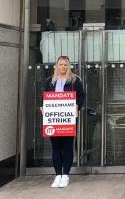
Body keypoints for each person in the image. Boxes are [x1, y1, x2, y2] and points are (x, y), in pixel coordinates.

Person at [42, 55, 85, 188]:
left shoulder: (75, 80)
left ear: (69, 66)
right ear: (56, 66)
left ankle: (65, 174)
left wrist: (78, 105)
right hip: (54, 120)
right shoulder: (50, 81)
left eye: (66, 64)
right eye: (61, 64)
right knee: (55, 148)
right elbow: (43, 97)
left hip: (68, 119)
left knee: (67, 147)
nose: (63, 67)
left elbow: (82, 96)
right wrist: (42, 107)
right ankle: (57, 175)